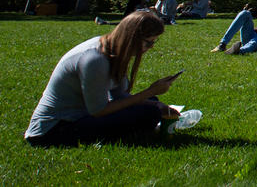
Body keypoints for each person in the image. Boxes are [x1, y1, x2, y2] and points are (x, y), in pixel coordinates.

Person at [24, 11, 188, 146]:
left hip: (82, 115)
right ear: (132, 38)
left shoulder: (115, 52)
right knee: (148, 113)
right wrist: (149, 93)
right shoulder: (95, 60)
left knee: (152, 104)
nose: (150, 48)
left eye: (154, 42)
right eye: (148, 43)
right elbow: (98, 110)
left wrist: (156, 101)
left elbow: (120, 96)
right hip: (55, 129)